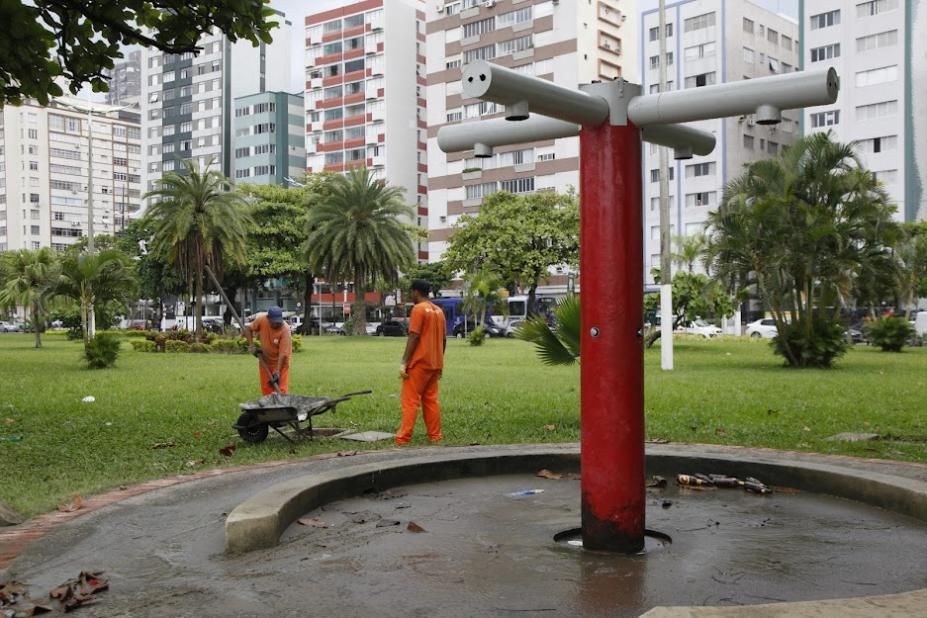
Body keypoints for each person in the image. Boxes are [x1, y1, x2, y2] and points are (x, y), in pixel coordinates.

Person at [396, 280, 447, 445]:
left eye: (411, 292)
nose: (411, 295)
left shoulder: (418, 309)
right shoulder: (438, 310)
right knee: (431, 401)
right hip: (434, 364)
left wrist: (404, 361)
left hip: (419, 364)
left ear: (416, 292)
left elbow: (414, 336)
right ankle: (435, 436)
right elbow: (444, 340)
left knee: (410, 401)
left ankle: (403, 438)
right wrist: (440, 362)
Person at [246, 306, 293, 395]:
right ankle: (269, 408)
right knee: (267, 391)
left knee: (281, 391)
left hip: (281, 364)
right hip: (265, 361)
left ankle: (282, 408)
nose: (276, 325)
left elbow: (283, 354)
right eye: (274, 323)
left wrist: (278, 372)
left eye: (278, 323)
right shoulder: (262, 320)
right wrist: (252, 346)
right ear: (268, 319)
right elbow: (248, 329)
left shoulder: (285, 330)